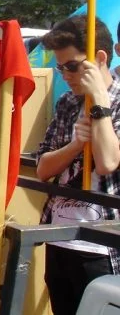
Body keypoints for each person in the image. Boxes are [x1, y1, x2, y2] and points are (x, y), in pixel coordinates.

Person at [36, 16, 120, 314]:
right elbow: (43, 168)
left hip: (103, 245)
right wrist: (73, 146)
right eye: (61, 68)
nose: (66, 75)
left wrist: (99, 103)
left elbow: (108, 162)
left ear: (100, 59)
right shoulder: (67, 103)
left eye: (72, 66)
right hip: (60, 236)